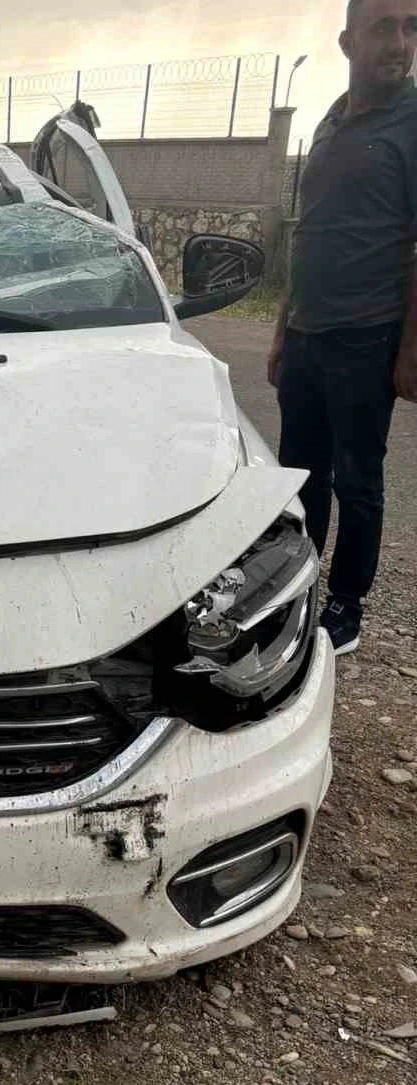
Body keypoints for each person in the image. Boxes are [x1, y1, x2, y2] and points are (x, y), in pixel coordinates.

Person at [268, 0, 417, 656]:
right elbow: (310, 234)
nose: (401, 43)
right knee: (299, 474)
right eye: (384, 27)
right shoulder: (329, 121)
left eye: (412, 27)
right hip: (306, 337)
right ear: (347, 41)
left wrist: (410, 350)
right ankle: (294, 584)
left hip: (366, 336)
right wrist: (281, 332)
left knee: (357, 480)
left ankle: (345, 606)